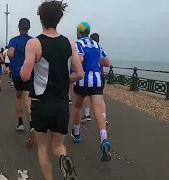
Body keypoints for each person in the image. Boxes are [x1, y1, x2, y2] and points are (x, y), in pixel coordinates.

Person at [20, 1, 83, 180]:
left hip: (41, 102)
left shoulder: (35, 43)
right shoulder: (70, 43)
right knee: (58, 146)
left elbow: (24, 75)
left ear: (41, 18)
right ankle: (64, 159)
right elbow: (79, 74)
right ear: (59, 19)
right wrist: (64, 79)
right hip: (62, 102)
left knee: (42, 147)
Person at [71, 21, 112, 162]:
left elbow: (80, 58)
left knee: (77, 107)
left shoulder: (79, 44)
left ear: (79, 32)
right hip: (97, 80)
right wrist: (95, 62)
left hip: (82, 80)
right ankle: (104, 140)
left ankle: (77, 134)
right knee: (98, 111)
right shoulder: (97, 45)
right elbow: (107, 62)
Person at [7, 18, 35, 146]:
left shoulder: (13, 40)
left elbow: (11, 54)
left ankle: (20, 123)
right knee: (29, 99)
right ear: (28, 28)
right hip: (30, 73)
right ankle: (32, 125)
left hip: (17, 74)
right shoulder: (33, 41)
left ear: (19, 27)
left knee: (18, 97)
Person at [81, 33, 108, 125]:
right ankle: (103, 117)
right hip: (100, 76)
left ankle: (87, 114)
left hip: (90, 77)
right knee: (101, 98)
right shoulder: (99, 48)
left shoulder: (89, 49)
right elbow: (107, 62)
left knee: (87, 96)